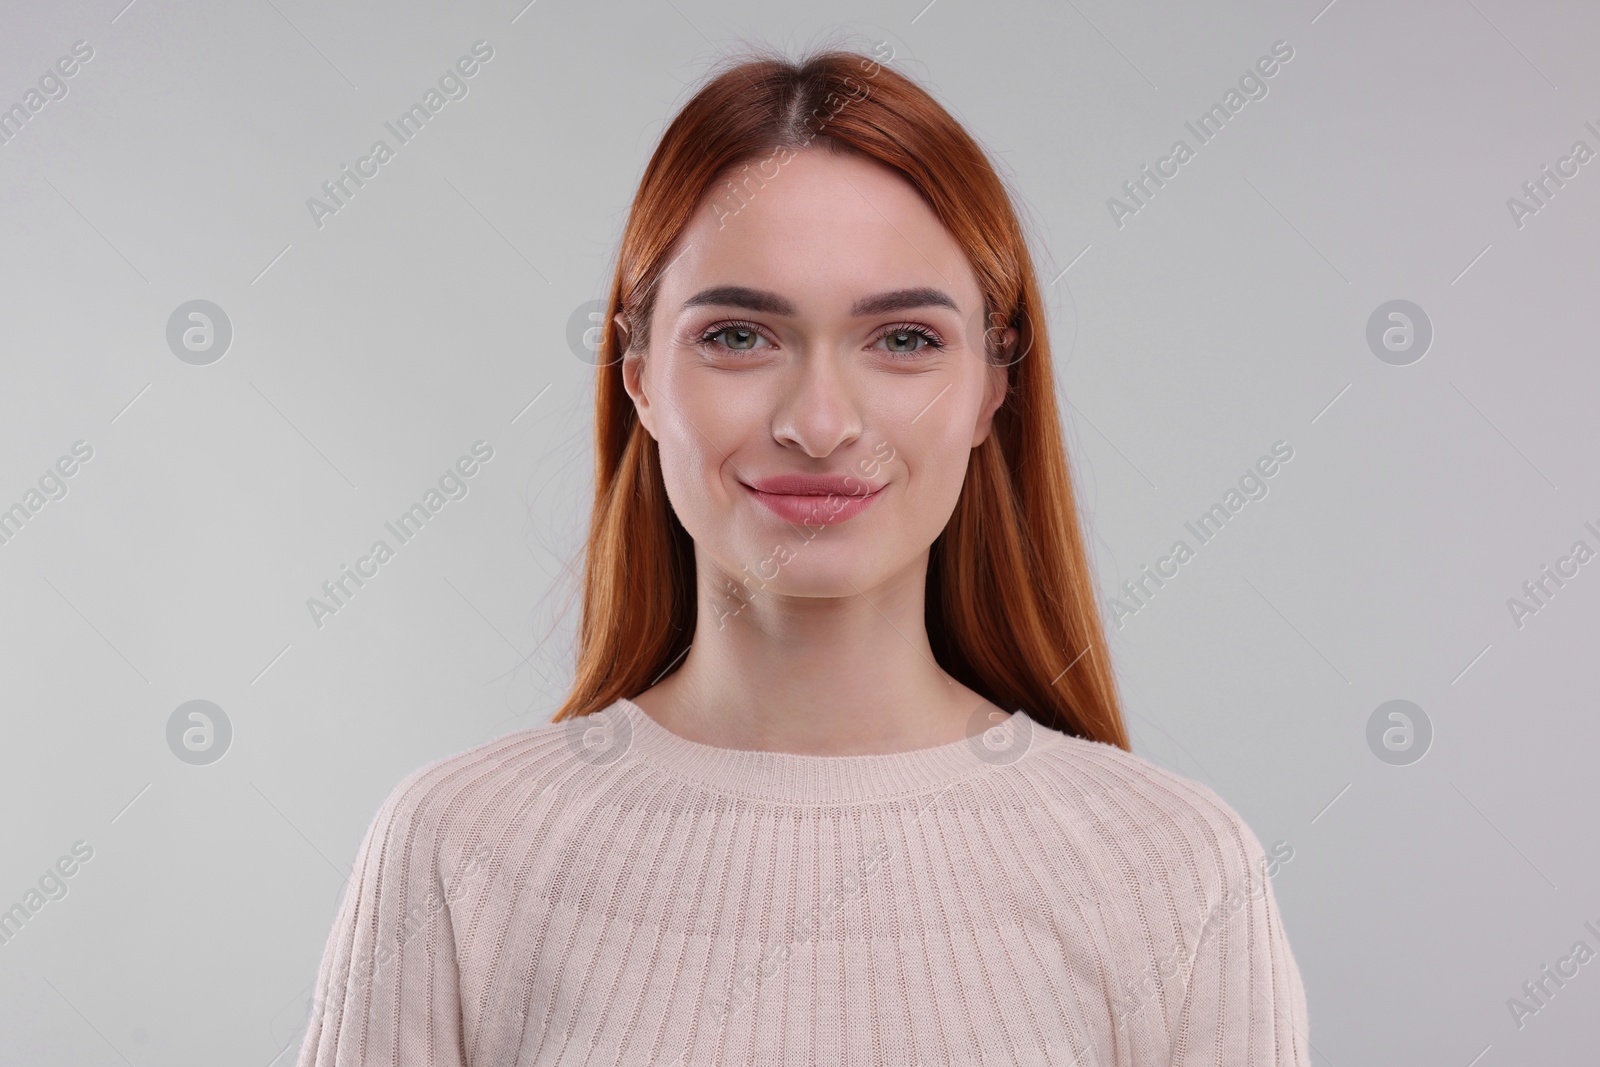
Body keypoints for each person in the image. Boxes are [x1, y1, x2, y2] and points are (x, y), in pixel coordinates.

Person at [295, 42, 1311, 1066]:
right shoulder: (458, 852)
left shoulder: (1174, 868)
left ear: (991, 388)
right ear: (641, 376)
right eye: (739, 336)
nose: (820, 423)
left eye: (903, 339)